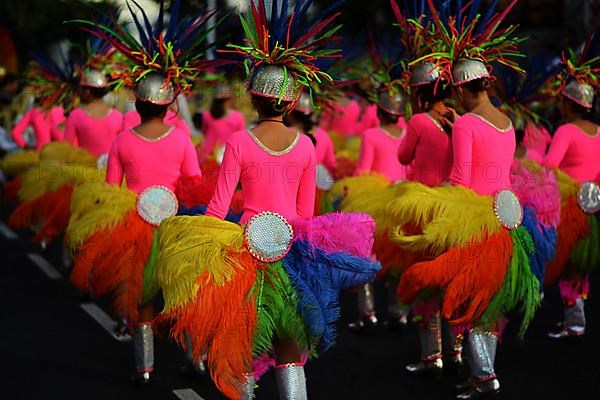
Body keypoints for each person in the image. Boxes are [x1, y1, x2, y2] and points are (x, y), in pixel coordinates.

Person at [153, 2, 380, 398]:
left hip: (243, 250)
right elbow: (306, 215)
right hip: (291, 250)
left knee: (241, 341)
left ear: (253, 101)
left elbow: (219, 208)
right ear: (291, 104)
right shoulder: (307, 145)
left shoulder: (239, 141)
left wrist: (202, 250)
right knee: (289, 348)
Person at [388, 2, 546, 398]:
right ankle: (482, 371)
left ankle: (484, 378)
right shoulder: (507, 123)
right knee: (488, 300)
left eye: (455, 92)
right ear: (487, 83)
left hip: (469, 221)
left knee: (469, 303)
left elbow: (459, 180)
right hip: (501, 216)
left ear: (460, 88)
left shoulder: (467, 125)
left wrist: (426, 200)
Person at [65, 1, 222, 384]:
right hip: (174, 224)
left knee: (142, 296)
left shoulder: (123, 139)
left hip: (134, 225)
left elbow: (112, 189)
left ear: (137, 103)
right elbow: (194, 183)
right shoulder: (182, 138)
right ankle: (195, 358)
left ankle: (146, 367)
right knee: (183, 289)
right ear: (169, 105)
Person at [544, 66, 600, 339]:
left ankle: (575, 324)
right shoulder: (598, 130)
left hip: (568, 206)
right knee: (581, 263)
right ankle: (576, 319)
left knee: (568, 263)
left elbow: (548, 166)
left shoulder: (566, 131)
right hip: (593, 205)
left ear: (569, 103)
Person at [64, 69, 123, 158]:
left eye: (82, 89)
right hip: (110, 169)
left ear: (87, 91)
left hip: (84, 170)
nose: (80, 93)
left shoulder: (76, 115)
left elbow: (66, 147)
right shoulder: (118, 116)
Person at [197, 81, 246, 163]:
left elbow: (204, 133)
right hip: (223, 158)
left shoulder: (207, 115)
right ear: (230, 99)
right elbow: (241, 140)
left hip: (211, 157)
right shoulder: (238, 117)